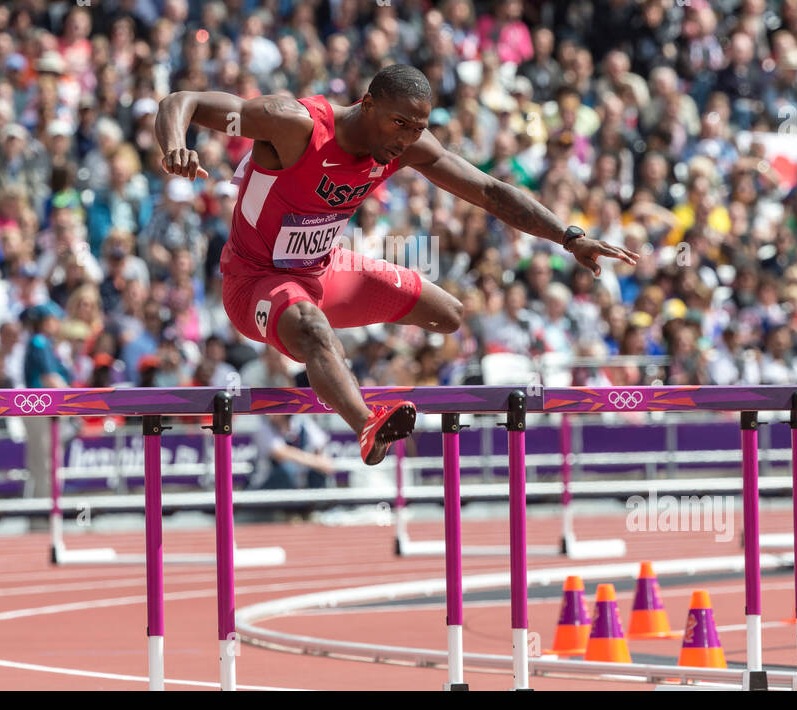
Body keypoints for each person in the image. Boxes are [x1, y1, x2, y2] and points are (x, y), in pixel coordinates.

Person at [156, 63, 639, 465]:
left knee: (446, 315)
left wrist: (568, 235)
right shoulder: (294, 125)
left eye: (419, 128)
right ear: (367, 105)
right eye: (400, 124)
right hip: (254, 283)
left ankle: (341, 369)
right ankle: (368, 426)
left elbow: (490, 191)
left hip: (323, 272)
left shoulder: (403, 149)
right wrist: (174, 144)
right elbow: (184, 101)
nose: (408, 138)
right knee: (311, 326)